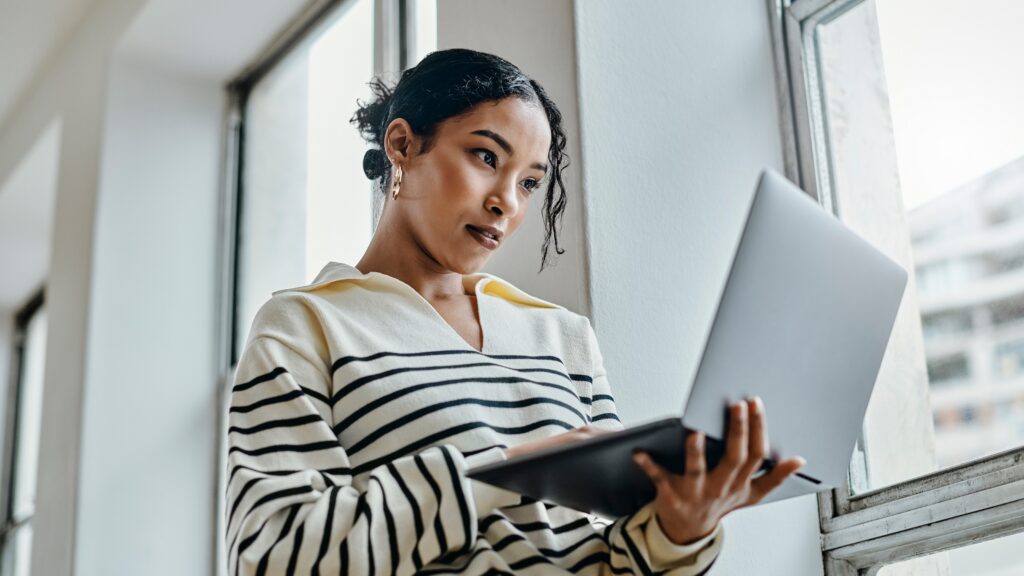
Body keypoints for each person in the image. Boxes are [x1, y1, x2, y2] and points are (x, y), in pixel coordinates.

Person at [224, 47, 806, 576]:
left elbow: (616, 555)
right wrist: (503, 471)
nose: (506, 201)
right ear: (402, 145)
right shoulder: (304, 328)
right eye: (486, 156)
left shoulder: (563, 336)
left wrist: (682, 529)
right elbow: (275, 551)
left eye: (530, 182)